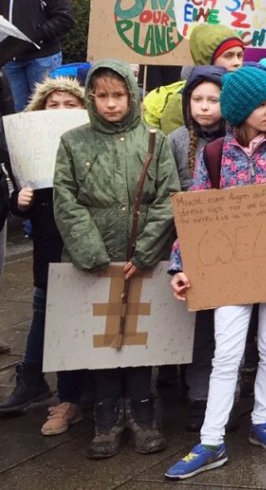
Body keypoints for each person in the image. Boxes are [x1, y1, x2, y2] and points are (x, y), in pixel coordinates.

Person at [165, 66, 266, 480]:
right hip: (229, 270)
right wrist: (180, 264)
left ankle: (264, 420)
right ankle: (211, 439)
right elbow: (198, 211)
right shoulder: (214, 155)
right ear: (240, 109)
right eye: (262, 104)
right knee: (228, 352)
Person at [53, 61, 179, 459]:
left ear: (132, 95)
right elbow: (66, 198)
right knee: (101, 341)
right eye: (103, 96)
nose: (111, 104)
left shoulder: (153, 141)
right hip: (93, 260)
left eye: (118, 95)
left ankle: (143, 414)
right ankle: (106, 418)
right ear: (92, 98)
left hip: (141, 258)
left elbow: (167, 198)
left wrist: (145, 251)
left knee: (142, 339)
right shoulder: (74, 142)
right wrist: (90, 252)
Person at [0, 77, 86, 433]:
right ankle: (33, 378)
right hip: (47, 249)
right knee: (42, 308)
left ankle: (69, 395)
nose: (61, 111)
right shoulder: (31, 149)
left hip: (79, 246)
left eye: (70, 104)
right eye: (54, 105)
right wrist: (18, 201)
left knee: (68, 317)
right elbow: (21, 199)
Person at [166, 67, 227, 430]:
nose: (205, 107)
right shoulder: (175, 141)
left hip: (233, 248)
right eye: (198, 99)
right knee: (202, 327)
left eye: (214, 100)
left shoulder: (237, 137)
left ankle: (230, 394)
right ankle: (199, 394)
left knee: (232, 330)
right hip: (192, 246)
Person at [0, 0, 75, 110]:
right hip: (10, 59)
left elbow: (65, 19)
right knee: (16, 112)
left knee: (43, 109)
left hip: (43, 58)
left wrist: (36, 34)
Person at [144, 24, 245, 135]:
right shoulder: (180, 101)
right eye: (228, 56)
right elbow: (176, 146)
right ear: (206, 58)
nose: (237, 62)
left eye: (240, 55)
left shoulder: (243, 94)